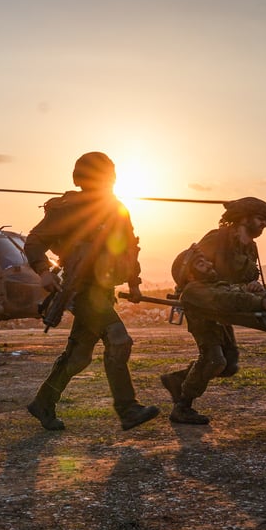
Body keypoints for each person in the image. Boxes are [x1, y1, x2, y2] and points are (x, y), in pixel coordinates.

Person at [24, 151, 159, 431]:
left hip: (103, 290)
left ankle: (43, 403)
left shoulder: (118, 208)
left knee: (79, 357)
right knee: (118, 339)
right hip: (81, 290)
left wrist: (134, 282)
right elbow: (35, 241)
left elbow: (129, 247)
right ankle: (128, 409)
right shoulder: (68, 208)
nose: (109, 180)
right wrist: (44, 271)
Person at [160, 197, 266, 424]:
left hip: (228, 303)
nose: (262, 225)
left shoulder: (250, 246)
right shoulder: (216, 239)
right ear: (244, 217)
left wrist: (252, 287)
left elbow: (248, 277)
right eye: (260, 219)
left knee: (229, 364)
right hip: (203, 303)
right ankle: (182, 407)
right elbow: (192, 271)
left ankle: (177, 380)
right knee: (213, 360)